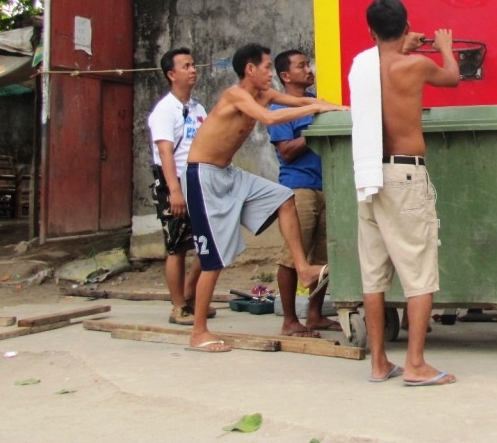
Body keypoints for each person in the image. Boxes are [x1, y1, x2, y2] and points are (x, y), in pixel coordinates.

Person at [183, 43, 347, 352]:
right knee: (213, 261)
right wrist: (313, 108)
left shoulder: (266, 94)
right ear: (250, 70)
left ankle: (303, 268)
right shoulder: (236, 95)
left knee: (284, 198)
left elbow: (303, 100)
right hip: (203, 175)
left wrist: (340, 109)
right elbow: (270, 119)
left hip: (229, 173)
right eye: (267, 68)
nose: (271, 74)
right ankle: (198, 331)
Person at [348, 0, 460, 385]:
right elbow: (452, 78)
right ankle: (415, 364)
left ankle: (379, 363)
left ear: (370, 30)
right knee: (419, 272)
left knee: (373, 277)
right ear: (407, 25)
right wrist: (445, 48)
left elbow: (382, 58)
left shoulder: (361, 67)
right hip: (404, 177)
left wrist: (399, 45)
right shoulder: (417, 65)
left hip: (368, 176)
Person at [267, 49, 340, 337]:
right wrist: (312, 127)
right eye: (301, 66)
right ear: (286, 76)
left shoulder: (314, 103)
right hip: (299, 188)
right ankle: (289, 320)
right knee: (293, 255)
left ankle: (315, 315)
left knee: (322, 255)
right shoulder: (280, 111)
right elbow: (286, 152)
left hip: (325, 186)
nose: (309, 70)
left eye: (308, 65)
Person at [146, 47, 214, 326]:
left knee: (210, 241)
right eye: (186, 66)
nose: (193, 69)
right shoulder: (164, 110)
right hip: (173, 182)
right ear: (171, 75)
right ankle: (178, 307)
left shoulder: (198, 108)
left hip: (198, 180)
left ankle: (189, 293)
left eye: (194, 64)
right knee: (177, 246)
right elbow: (165, 154)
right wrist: (174, 191)